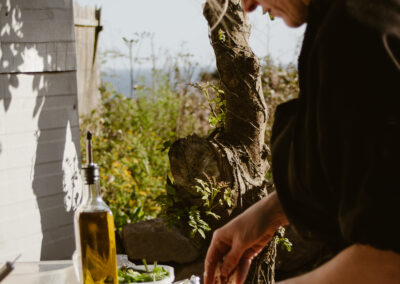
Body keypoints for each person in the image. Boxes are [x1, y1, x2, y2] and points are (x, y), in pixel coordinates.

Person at [204, 0, 400, 283]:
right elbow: (368, 167)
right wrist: (271, 211)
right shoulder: (358, 18)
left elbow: (389, 259)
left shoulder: (358, 32)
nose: (248, 5)